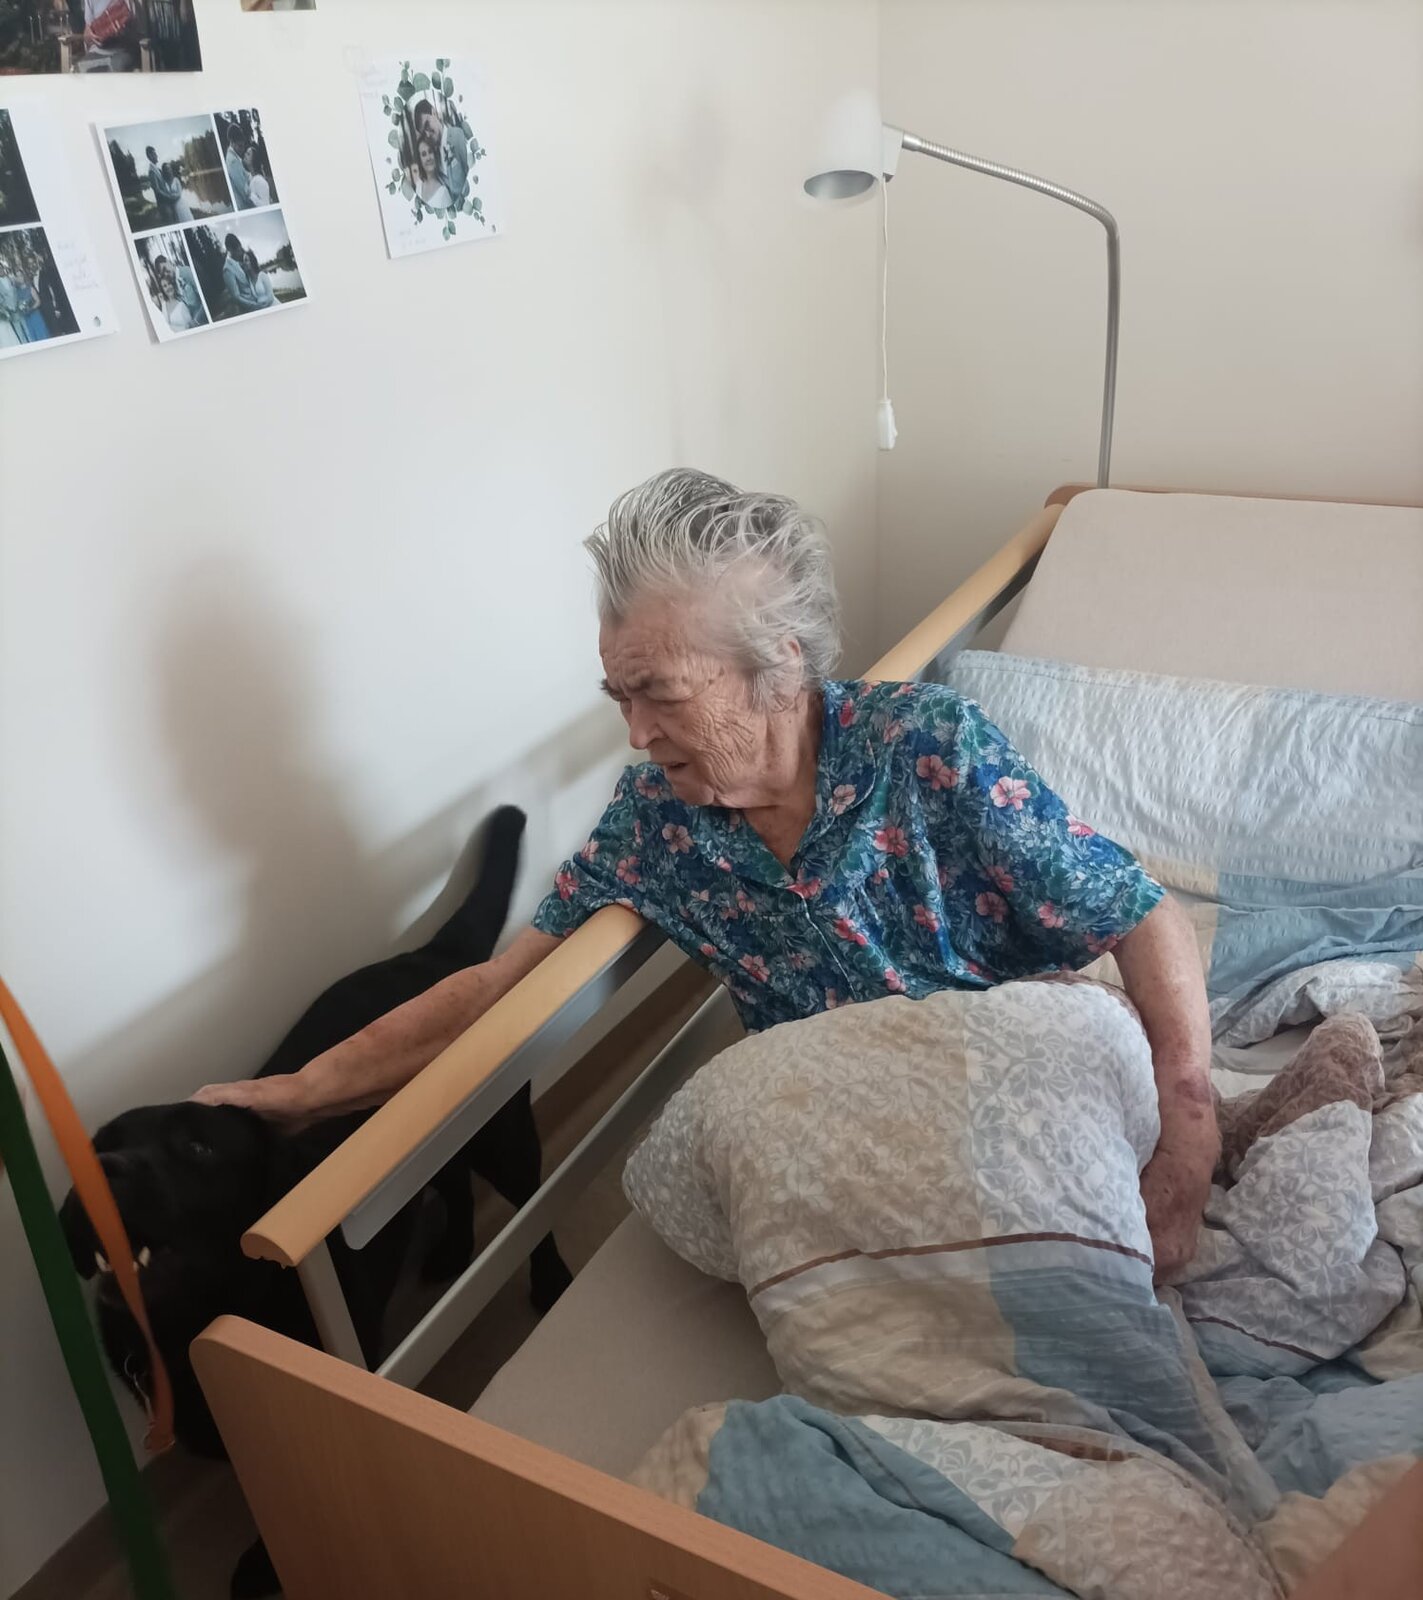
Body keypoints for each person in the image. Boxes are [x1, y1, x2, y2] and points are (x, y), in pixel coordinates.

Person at [194, 469, 1220, 1280]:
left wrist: (1187, 1143)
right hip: (868, 1126)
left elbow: (1138, 911)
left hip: (1014, 1069)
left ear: (780, 664)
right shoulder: (657, 824)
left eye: (661, 694)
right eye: (618, 696)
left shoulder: (926, 745)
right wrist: (301, 1092)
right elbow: (495, 989)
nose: (635, 734)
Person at [413, 98, 469, 203]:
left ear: (434, 113)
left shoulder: (458, 136)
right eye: (423, 133)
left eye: (427, 124)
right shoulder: (433, 156)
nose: (427, 134)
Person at [152, 253, 206, 331]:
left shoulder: (186, 272)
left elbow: (204, 298)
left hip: (203, 321)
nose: (166, 273)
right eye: (163, 273)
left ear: (168, 261)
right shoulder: (173, 286)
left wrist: (196, 321)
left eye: (165, 269)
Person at [220, 232, 266, 315]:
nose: (240, 253)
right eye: (237, 251)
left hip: (259, 299)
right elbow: (236, 297)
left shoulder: (243, 258)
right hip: (250, 310)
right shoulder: (227, 270)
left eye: (240, 249)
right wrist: (255, 306)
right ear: (229, 249)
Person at [413, 135, 452, 209]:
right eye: (424, 154)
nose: (428, 158)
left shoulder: (443, 194)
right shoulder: (419, 186)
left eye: (430, 152)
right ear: (420, 160)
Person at [225, 124, 253, 210]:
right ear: (232, 142)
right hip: (244, 207)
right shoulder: (233, 161)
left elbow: (246, 175)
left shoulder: (235, 157)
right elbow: (245, 193)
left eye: (243, 146)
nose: (242, 149)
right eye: (240, 146)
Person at [145, 146, 174, 226]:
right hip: (163, 205)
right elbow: (157, 190)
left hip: (167, 203)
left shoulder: (157, 169)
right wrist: (169, 196)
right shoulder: (151, 171)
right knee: (170, 223)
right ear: (150, 156)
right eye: (154, 154)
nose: (157, 155)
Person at [243, 144, 272, 208]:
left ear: (254, 160)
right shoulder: (250, 176)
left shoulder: (259, 180)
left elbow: (266, 206)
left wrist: (251, 195)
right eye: (246, 153)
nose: (245, 154)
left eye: (248, 154)